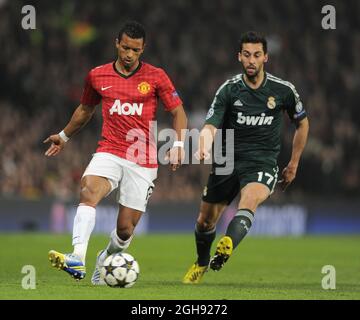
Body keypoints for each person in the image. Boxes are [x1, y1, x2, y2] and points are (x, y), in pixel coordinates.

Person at [44, 21, 187, 284]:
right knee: (88, 190)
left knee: (125, 230)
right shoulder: (97, 76)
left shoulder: (156, 76)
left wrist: (178, 145)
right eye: (125, 48)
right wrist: (64, 135)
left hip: (142, 158)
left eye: (135, 49)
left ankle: (105, 257)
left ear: (143, 49)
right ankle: (77, 257)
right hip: (109, 149)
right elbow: (85, 110)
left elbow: (177, 111)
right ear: (116, 44)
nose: (129, 54)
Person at [183, 31, 309, 284]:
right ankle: (201, 261)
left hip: (262, 160)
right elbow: (210, 125)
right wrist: (204, 145)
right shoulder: (228, 91)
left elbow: (302, 124)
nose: (252, 60)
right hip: (227, 157)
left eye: (257, 55)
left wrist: (294, 163)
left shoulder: (283, 90)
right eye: (247, 55)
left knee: (250, 199)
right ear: (239, 57)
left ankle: (228, 242)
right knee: (205, 220)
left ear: (266, 57)